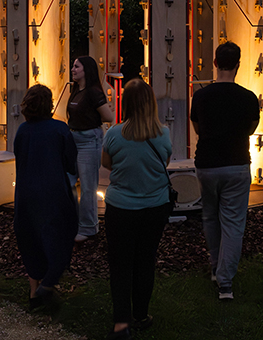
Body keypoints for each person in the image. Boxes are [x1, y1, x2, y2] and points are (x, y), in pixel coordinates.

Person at [101, 79, 172, 339]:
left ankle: (121, 324)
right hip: (155, 207)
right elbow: (164, 161)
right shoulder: (163, 133)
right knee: (145, 260)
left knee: (120, 265)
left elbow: (107, 164)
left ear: (126, 104)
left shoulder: (114, 134)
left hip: (121, 207)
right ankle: (141, 315)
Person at [190, 42, 260, 301]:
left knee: (210, 217)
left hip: (207, 165)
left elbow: (197, 128)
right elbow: (251, 129)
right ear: (238, 65)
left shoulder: (200, 96)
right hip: (237, 164)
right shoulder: (248, 98)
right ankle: (225, 283)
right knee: (233, 223)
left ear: (215, 64)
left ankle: (215, 267)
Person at [13, 84, 78, 311]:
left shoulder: (22, 131)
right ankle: (49, 283)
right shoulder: (60, 130)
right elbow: (71, 163)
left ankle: (34, 294)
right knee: (61, 236)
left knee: (31, 240)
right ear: (49, 104)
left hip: (25, 193)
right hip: (53, 192)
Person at [67, 56, 114, 242]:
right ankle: (74, 222)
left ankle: (88, 227)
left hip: (88, 140)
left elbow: (108, 117)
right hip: (73, 139)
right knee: (69, 181)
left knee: (87, 186)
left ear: (86, 70)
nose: (73, 69)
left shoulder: (94, 92)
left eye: (76, 66)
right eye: (72, 66)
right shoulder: (76, 90)